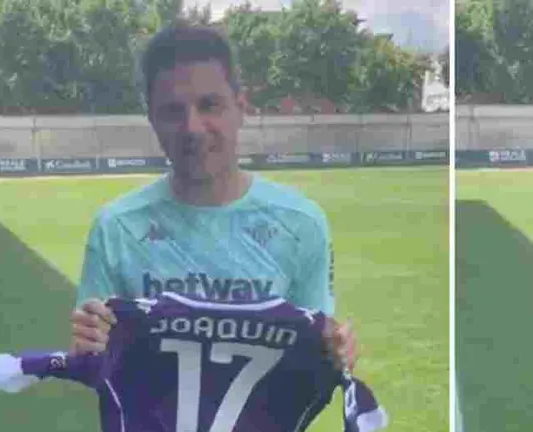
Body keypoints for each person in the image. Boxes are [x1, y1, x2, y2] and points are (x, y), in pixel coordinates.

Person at [68, 22, 356, 370]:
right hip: (146, 428)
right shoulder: (116, 229)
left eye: (210, 105)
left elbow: (312, 356)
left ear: (241, 108)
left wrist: (333, 351)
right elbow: (93, 363)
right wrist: (88, 344)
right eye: (173, 111)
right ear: (152, 119)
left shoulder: (302, 225)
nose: (192, 127)